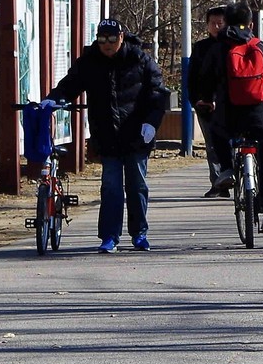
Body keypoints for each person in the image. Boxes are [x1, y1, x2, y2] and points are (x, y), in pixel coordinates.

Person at [43, 19, 169, 253]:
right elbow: (71, 84)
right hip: (106, 133)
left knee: (137, 184)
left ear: (122, 37)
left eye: (112, 39)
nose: (107, 45)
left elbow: (157, 93)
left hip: (137, 134)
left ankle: (139, 233)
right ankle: (109, 236)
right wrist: (55, 98)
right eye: (102, 40)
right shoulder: (90, 60)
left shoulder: (139, 59)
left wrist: (151, 122)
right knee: (110, 186)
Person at [202, 1, 263, 234]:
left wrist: (207, 99)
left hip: (229, 114)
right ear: (251, 23)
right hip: (261, 114)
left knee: (217, 132)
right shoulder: (261, 47)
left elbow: (205, 77)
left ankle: (227, 169)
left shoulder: (218, 48)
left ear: (225, 22)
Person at [190, 4, 232, 198]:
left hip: (230, 104)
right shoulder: (200, 48)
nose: (216, 27)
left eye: (220, 23)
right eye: (212, 23)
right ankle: (218, 183)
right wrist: (196, 100)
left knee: (234, 143)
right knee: (211, 145)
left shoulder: (233, 46)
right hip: (205, 105)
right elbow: (192, 77)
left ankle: (238, 179)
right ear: (206, 25)